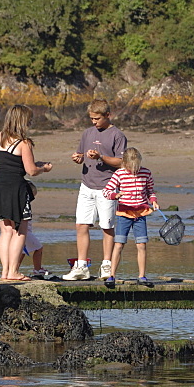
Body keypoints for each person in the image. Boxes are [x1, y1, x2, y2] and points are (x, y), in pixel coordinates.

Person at [0, 104, 53, 281]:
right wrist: (44, 168)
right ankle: (13, 271)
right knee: (20, 230)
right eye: (29, 120)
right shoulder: (24, 143)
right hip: (13, 187)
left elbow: (9, 162)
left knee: (6, 230)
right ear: (24, 122)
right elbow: (31, 170)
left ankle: (5, 271)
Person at [65, 99, 126, 281]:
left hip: (107, 186)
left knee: (107, 226)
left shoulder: (117, 135)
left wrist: (101, 157)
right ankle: (81, 266)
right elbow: (82, 155)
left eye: (97, 119)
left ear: (108, 115)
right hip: (86, 184)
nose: (94, 122)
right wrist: (78, 158)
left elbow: (121, 162)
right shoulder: (87, 133)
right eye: (91, 119)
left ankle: (106, 265)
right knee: (81, 225)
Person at [102, 147, 158, 287]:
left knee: (141, 244)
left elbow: (150, 191)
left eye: (136, 167)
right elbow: (106, 191)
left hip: (140, 213)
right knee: (119, 244)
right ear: (125, 163)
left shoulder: (146, 173)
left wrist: (154, 201)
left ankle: (142, 276)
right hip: (124, 213)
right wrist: (116, 195)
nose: (134, 170)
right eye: (131, 167)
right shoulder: (119, 173)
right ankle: (112, 275)